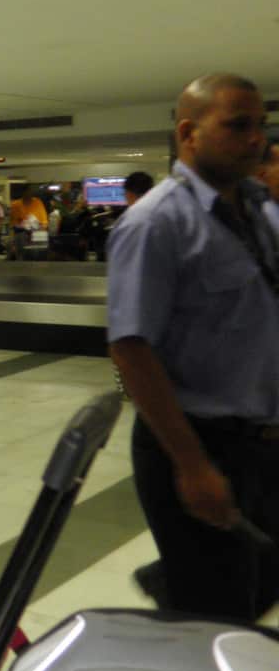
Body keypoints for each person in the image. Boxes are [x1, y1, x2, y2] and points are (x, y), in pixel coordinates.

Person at [109, 72, 279, 622]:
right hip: (196, 442)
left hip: (259, 445)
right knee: (219, 611)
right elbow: (133, 349)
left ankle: (174, 583)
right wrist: (192, 464)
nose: (255, 138)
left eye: (260, 126)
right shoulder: (156, 223)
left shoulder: (258, 211)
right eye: (237, 126)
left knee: (259, 581)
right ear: (189, 133)